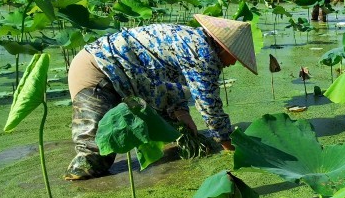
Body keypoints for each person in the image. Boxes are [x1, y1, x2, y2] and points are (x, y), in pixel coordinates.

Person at [62, 15, 258, 180]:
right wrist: (227, 144)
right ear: (224, 47)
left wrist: (181, 113)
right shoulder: (203, 53)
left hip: (122, 76)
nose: (234, 63)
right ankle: (79, 192)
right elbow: (209, 104)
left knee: (171, 130)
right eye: (235, 57)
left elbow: (170, 80)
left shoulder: (192, 40)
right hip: (96, 70)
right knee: (95, 154)